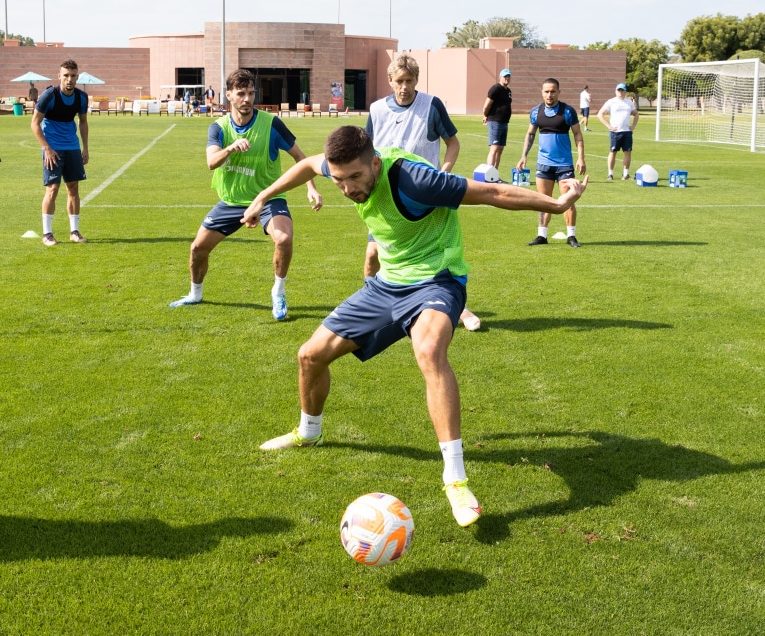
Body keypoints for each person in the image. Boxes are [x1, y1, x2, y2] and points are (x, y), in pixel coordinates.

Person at [242, 126, 588, 527]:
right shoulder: (340, 167)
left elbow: (492, 193)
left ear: (374, 163)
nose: (348, 188)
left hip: (437, 280)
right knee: (309, 355)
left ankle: (455, 480)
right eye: (338, 180)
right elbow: (304, 165)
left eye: (355, 177)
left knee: (428, 351)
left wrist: (557, 205)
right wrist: (263, 197)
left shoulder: (415, 179)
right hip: (388, 284)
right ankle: (309, 432)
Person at [169, 68, 323, 320]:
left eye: (251, 93)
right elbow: (211, 162)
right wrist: (230, 148)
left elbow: (300, 157)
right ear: (228, 95)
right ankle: (195, 294)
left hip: (269, 198)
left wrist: (311, 188)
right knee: (197, 249)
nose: (247, 99)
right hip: (231, 202)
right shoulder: (218, 127)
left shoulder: (271, 124)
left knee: (283, 239)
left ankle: (278, 292)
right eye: (241, 93)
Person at [366, 54, 480, 332]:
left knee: (438, 258)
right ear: (390, 81)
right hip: (386, 198)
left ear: (417, 80)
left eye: (410, 80)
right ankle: (371, 308)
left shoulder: (431, 105)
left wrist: (446, 172)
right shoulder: (377, 110)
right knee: (372, 255)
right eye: (399, 81)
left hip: (426, 195)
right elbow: (366, 151)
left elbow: (452, 143)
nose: (404, 87)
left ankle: (459, 306)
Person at [517, 78, 586, 248]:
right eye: (546, 91)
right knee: (543, 200)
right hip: (544, 165)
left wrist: (581, 157)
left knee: (568, 200)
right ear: (542, 93)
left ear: (559, 92)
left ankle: (571, 236)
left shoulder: (568, 111)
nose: (550, 95)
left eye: (553, 91)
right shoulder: (536, 112)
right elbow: (530, 134)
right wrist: (523, 156)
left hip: (564, 164)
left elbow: (577, 134)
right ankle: (542, 235)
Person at [31, 59, 90, 246]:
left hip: (72, 147)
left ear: (77, 77)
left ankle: (74, 231)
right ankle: (47, 234)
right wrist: (47, 149)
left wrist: (85, 147)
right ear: (59, 76)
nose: (69, 79)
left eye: (73, 76)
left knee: (73, 188)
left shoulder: (81, 97)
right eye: (66, 76)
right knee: (53, 189)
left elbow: (83, 121)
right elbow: (34, 123)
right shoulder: (49, 95)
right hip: (53, 148)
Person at [597, 83, 639, 181]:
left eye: (622, 90)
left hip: (626, 132)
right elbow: (600, 114)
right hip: (615, 132)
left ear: (625, 91)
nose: (620, 92)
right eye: (618, 90)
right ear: (616, 91)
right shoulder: (611, 102)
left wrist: (633, 126)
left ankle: (626, 174)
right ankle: (610, 174)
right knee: (613, 152)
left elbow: (636, 114)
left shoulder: (629, 103)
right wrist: (609, 126)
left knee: (628, 152)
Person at [482, 69, 513, 169]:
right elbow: (487, 105)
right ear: (500, 77)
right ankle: (489, 173)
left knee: (500, 149)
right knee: (494, 148)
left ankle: (495, 174)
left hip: (504, 122)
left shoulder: (508, 91)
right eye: (505, 76)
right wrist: (485, 115)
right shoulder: (495, 88)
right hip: (495, 121)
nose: (507, 78)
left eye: (508, 76)